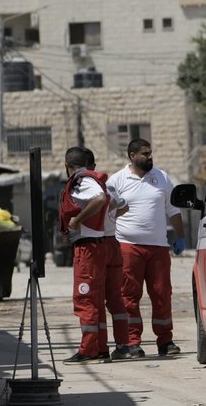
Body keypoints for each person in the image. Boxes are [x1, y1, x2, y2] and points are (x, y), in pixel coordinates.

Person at [107, 138, 185, 359]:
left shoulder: (161, 177)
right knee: (128, 296)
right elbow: (108, 212)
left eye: (151, 153)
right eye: (145, 154)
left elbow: (173, 210)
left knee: (162, 294)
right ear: (132, 155)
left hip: (158, 247)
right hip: (127, 246)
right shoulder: (117, 181)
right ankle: (132, 343)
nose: (150, 157)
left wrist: (181, 236)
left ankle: (166, 341)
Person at [59, 146, 111, 365]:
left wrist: (77, 220)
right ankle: (99, 348)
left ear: (67, 165)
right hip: (95, 246)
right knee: (95, 300)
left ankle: (88, 349)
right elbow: (115, 202)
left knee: (85, 299)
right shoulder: (91, 179)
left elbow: (100, 199)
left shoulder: (82, 179)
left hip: (88, 249)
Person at [82, 148, 130, 358]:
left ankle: (101, 349)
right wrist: (110, 216)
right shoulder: (108, 184)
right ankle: (124, 346)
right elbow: (124, 207)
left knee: (97, 299)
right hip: (113, 243)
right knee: (116, 299)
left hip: (98, 244)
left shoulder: (85, 185)